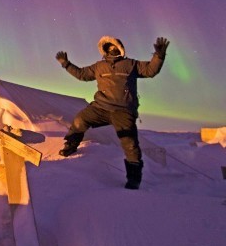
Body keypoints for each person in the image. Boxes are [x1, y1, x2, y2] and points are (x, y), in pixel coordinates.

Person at [55, 35, 169, 189]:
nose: (111, 50)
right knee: (80, 119)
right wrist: (66, 64)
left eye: (114, 47)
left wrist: (159, 56)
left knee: (129, 143)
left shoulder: (130, 64)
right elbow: (82, 74)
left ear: (120, 49)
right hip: (100, 107)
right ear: (104, 50)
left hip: (123, 111)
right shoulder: (99, 66)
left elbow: (150, 70)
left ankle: (134, 179)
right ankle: (71, 145)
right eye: (108, 48)